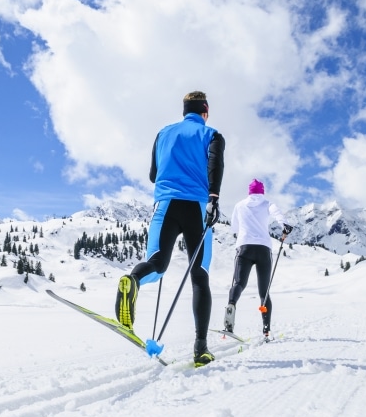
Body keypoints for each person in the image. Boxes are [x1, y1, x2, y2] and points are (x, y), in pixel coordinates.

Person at [115, 91, 225, 367]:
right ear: (205, 111)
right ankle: (200, 348)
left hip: (165, 205)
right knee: (199, 276)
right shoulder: (212, 135)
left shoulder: (163, 133)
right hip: (197, 207)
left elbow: (153, 174)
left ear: (184, 109)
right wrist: (213, 198)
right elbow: (215, 165)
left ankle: (133, 282)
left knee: (157, 263)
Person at [223, 179, 292, 340]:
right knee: (264, 291)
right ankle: (266, 330)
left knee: (239, 283)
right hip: (263, 248)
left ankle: (231, 304)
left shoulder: (239, 205)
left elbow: (234, 228)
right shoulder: (267, 203)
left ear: (249, 192)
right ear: (262, 191)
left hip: (244, 247)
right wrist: (285, 225)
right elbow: (278, 213)